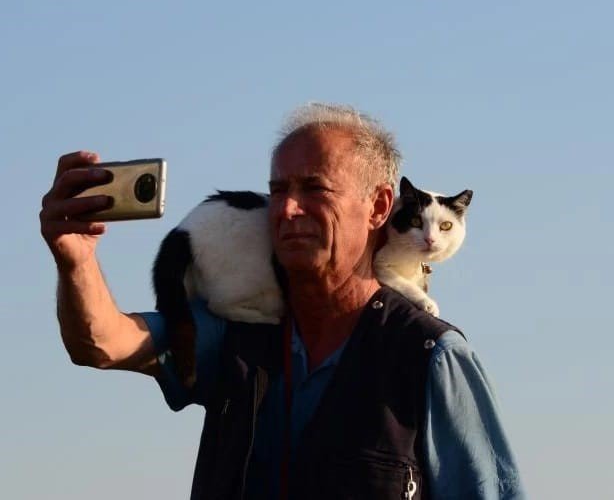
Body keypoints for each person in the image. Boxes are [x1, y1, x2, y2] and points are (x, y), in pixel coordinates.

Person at [40, 103, 526, 499]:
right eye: (278, 190)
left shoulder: (430, 357)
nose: (288, 209)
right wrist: (75, 259)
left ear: (379, 206)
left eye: (314, 188)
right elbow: (101, 343)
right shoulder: (240, 332)